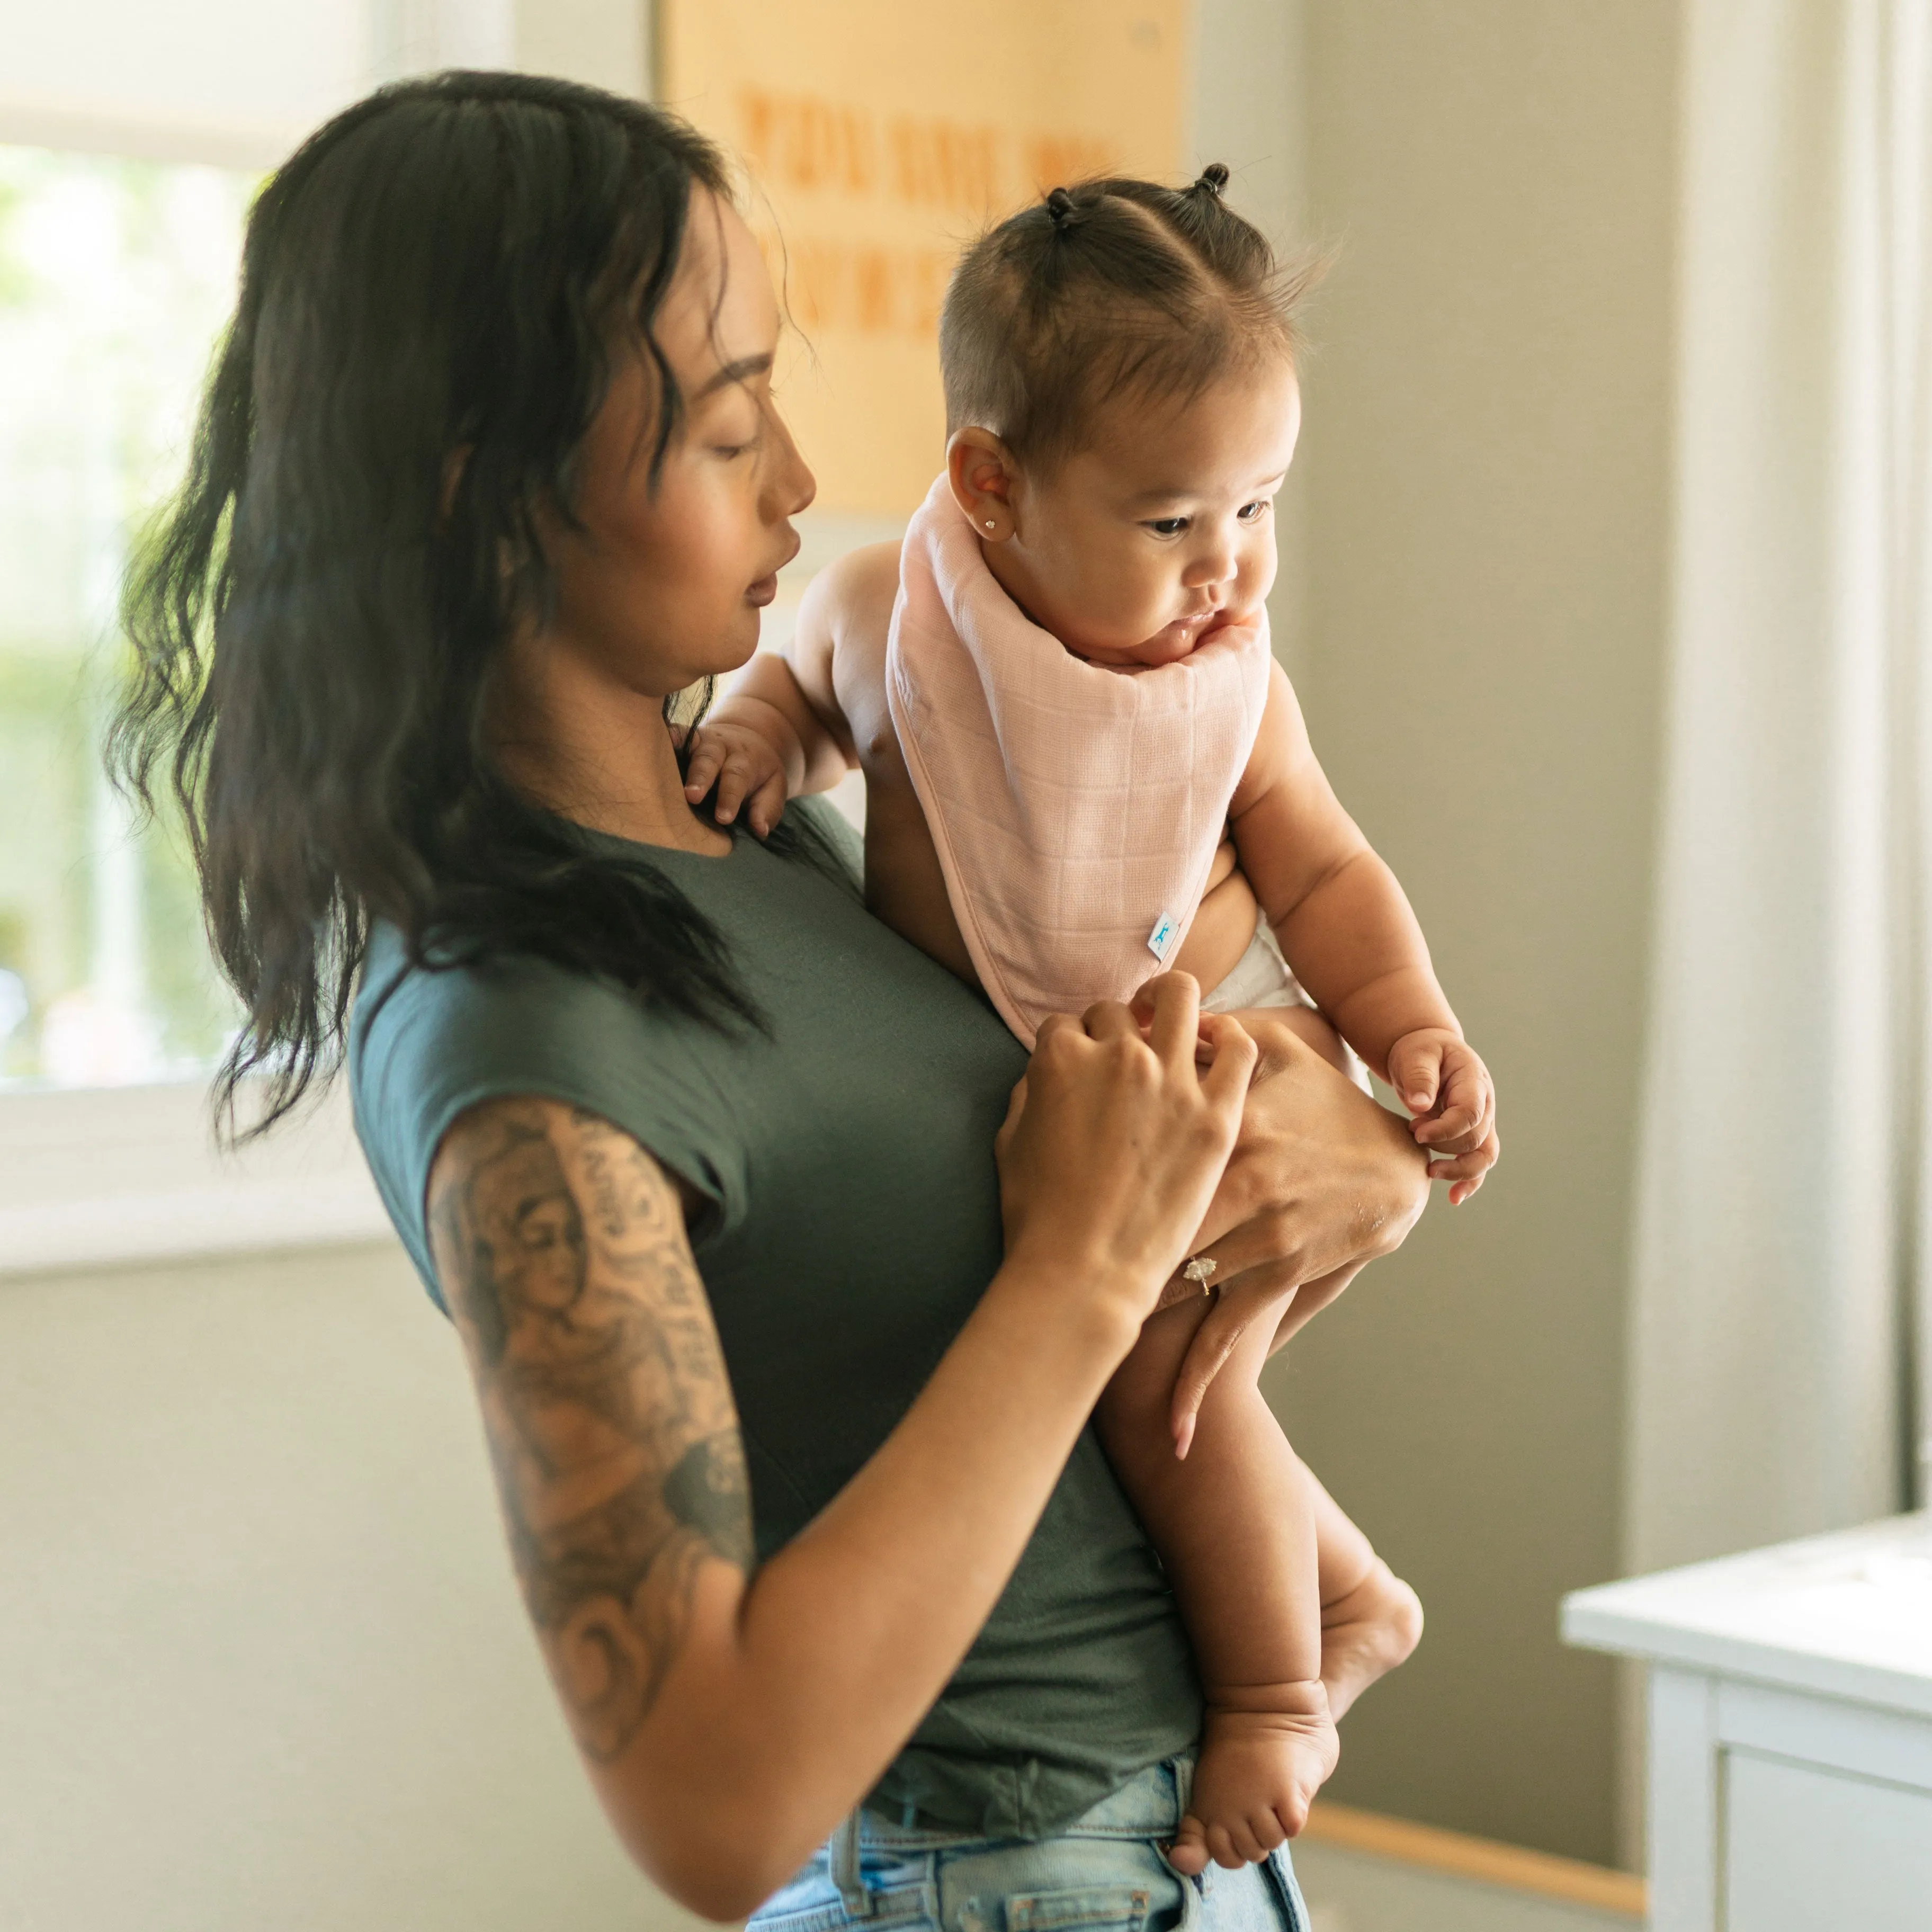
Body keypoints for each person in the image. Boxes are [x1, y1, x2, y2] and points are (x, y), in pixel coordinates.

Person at [110, 72, 1429, 1932]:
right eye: (732, 430)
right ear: (487, 490)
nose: (807, 484)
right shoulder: (510, 1038)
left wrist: (1361, 1138)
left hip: (1166, 1859)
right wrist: (1084, 1272)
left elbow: (1104, 1062)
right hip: (989, 1879)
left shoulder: (753, 828)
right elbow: (713, 1811)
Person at [683, 171, 1499, 1865]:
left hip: (1177, 1087)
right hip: (1060, 1127)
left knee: (1163, 1388)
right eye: (1173, 522)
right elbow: (790, 706)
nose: (1230, 569)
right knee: (1188, 1389)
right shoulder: (891, 620)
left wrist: (1410, 1031)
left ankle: (1282, 1686)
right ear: (991, 487)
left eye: (1261, 510)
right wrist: (760, 742)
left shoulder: (1230, 692)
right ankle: (1350, 1585)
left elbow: (1328, 873)